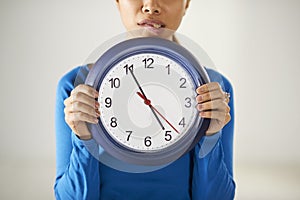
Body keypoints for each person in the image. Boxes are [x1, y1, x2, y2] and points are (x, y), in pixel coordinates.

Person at [54, 0, 236, 199]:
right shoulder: (76, 87)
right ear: (117, 2)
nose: (150, 5)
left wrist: (211, 136)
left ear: (186, 4)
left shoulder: (215, 90)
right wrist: (83, 138)